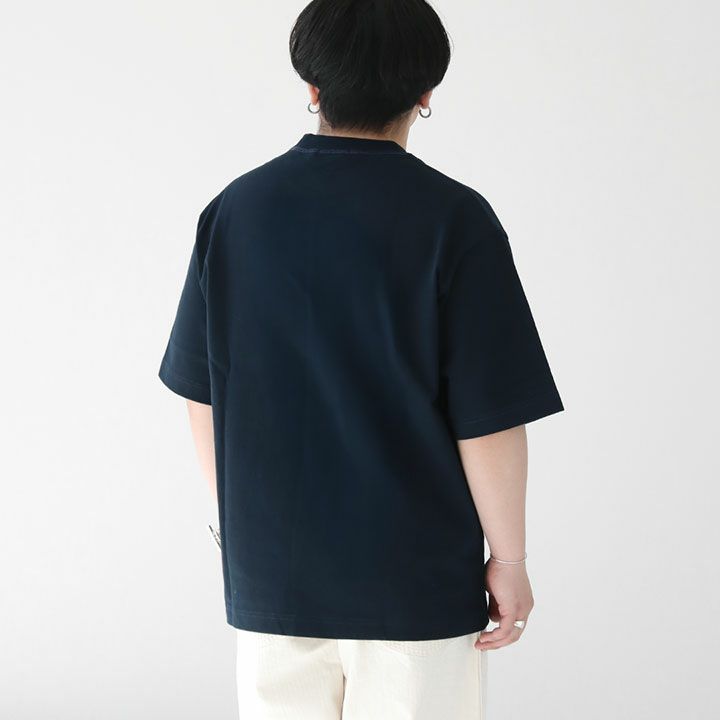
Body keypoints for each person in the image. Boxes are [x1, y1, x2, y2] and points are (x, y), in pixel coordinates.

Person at [158, 1, 564, 717]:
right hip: (415, 580)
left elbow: (203, 395)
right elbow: (489, 420)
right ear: (426, 91)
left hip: (273, 576)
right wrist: (509, 560)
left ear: (312, 86)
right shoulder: (456, 220)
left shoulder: (235, 212)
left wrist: (239, 532)